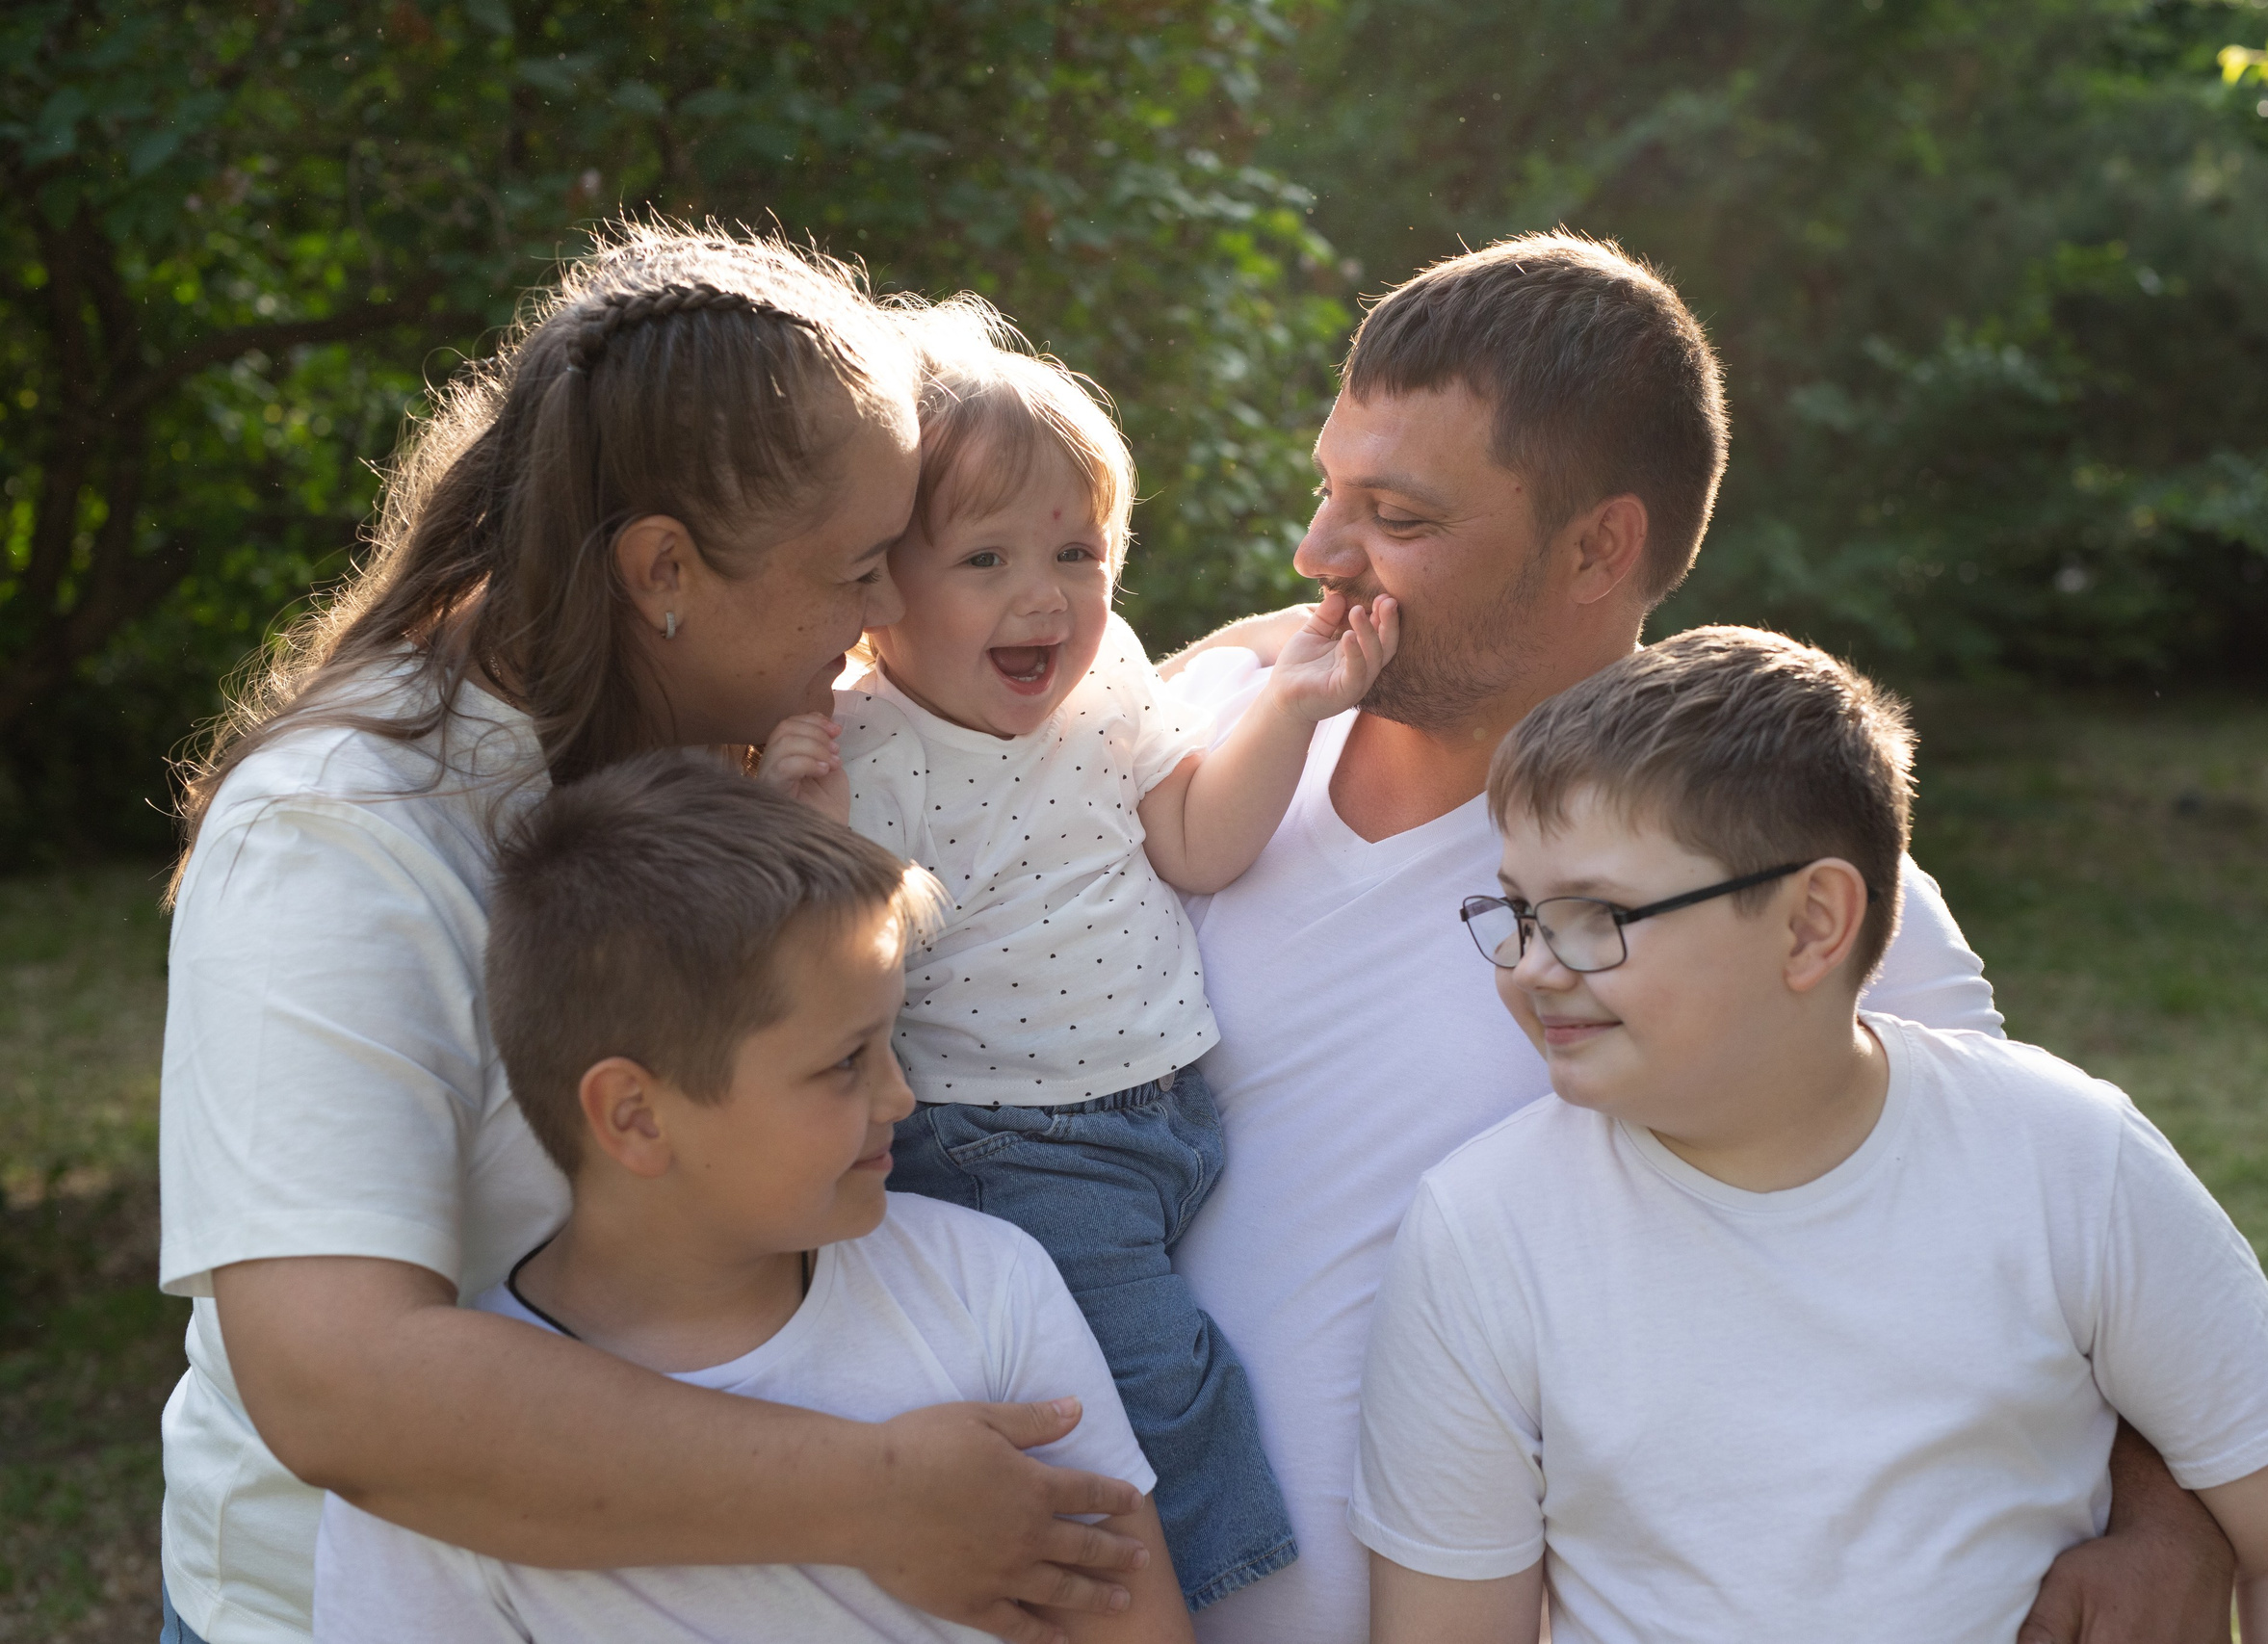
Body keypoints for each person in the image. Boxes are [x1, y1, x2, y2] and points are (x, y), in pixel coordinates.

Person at [1160, 229, 2237, 1642]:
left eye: (1400, 518)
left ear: (1601, 543)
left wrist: (2167, 1509)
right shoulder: (1203, 755)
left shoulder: (1753, 873)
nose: (1319, 554)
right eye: (1328, 493)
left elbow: (2029, 1211)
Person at [157, 227, 1149, 1644]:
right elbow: (336, 1381)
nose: (887, 617)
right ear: (663, 568)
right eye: (861, 565)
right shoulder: (339, 832)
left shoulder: (721, 740)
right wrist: (875, 1496)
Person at [1351, 627, 2268, 1644]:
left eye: (1599, 916)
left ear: (1812, 925)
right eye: (1519, 911)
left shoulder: (2067, 1159)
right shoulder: (1485, 1232)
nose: (1532, 966)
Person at [756, 300, 1399, 1610]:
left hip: (1170, 1115)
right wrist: (805, 825)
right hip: (1011, 1142)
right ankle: (1196, 1606)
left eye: (1076, 549)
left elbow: (1196, 840)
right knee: (1161, 1383)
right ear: (878, 592)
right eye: (983, 559)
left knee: (1190, 1355)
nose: (1043, 593)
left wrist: (1289, 699)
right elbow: (826, 961)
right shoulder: (857, 744)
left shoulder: (1104, 674)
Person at [312, 754, 1193, 1644]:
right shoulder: (443, 1471)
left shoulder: (986, 1284)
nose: (900, 1097)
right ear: (636, 1117)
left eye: (889, 1042)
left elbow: (1132, 1620)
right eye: (845, 1062)